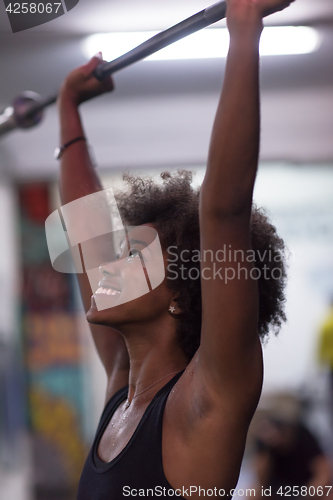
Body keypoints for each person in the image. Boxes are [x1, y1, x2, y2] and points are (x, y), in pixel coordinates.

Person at [55, 0, 292, 497]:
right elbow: (84, 228)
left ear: (181, 295)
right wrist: (69, 112)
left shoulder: (205, 401)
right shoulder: (123, 394)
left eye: (132, 256)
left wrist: (244, 30)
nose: (108, 264)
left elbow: (222, 213)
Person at [252, 394, 332, 500]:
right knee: (253, 494)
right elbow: (260, 480)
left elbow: (323, 472)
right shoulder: (265, 443)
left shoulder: (302, 435)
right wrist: (266, 449)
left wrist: (307, 495)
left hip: (305, 488)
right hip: (278, 489)